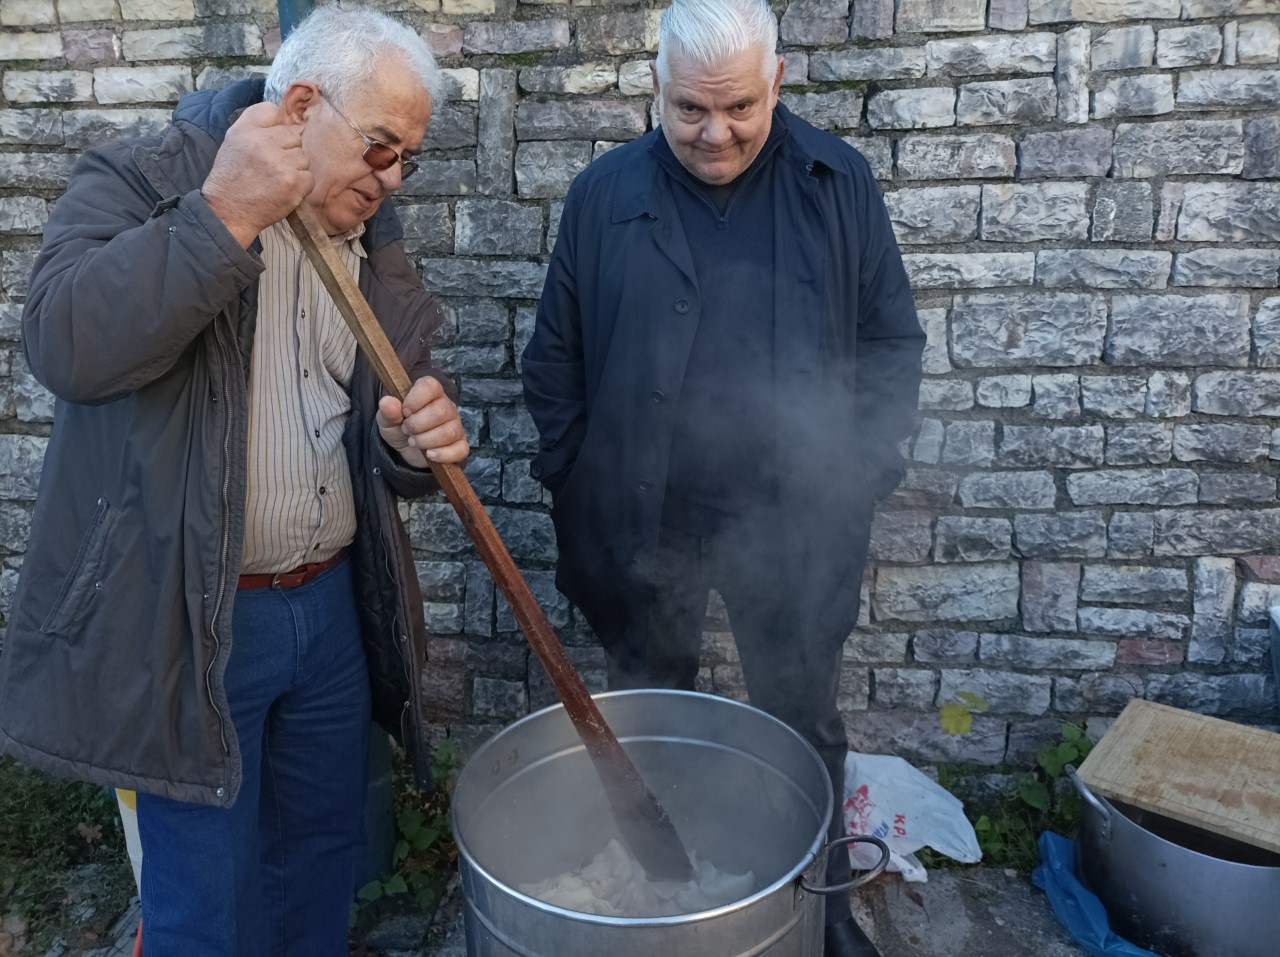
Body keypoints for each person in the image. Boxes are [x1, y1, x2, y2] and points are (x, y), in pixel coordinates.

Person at [0, 7, 468, 956]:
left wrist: (406, 448)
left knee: (319, 863)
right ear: (301, 105)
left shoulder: (368, 228)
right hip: (193, 619)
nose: (391, 178)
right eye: (381, 146)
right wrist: (224, 216)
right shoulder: (145, 176)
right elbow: (66, 342)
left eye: (407, 160)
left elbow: (357, 416)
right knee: (205, 902)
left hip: (329, 610)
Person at [521, 0, 924, 953]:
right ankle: (663, 901)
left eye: (739, 106)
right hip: (642, 518)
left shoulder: (837, 182)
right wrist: (573, 474)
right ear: (655, 87)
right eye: (690, 109)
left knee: (802, 717)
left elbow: (891, 342)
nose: (716, 133)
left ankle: (821, 908)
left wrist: (858, 471)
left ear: (776, 81)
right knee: (651, 715)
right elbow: (554, 359)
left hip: (794, 518)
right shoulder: (604, 194)